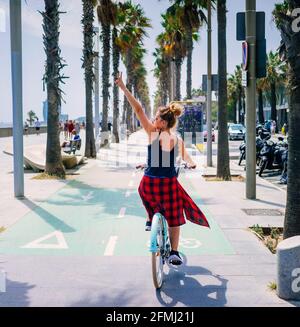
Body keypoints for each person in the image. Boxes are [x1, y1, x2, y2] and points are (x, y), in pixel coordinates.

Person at [115, 72, 210, 266]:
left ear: (164, 122)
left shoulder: (152, 134)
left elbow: (138, 109)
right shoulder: (176, 139)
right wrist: (191, 164)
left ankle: (150, 218)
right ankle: (174, 252)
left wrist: (124, 88)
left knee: (143, 192)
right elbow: (186, 157)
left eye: (156, 117)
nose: (153, 119)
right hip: (168, 185)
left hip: (148, 184)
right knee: (175, 217)